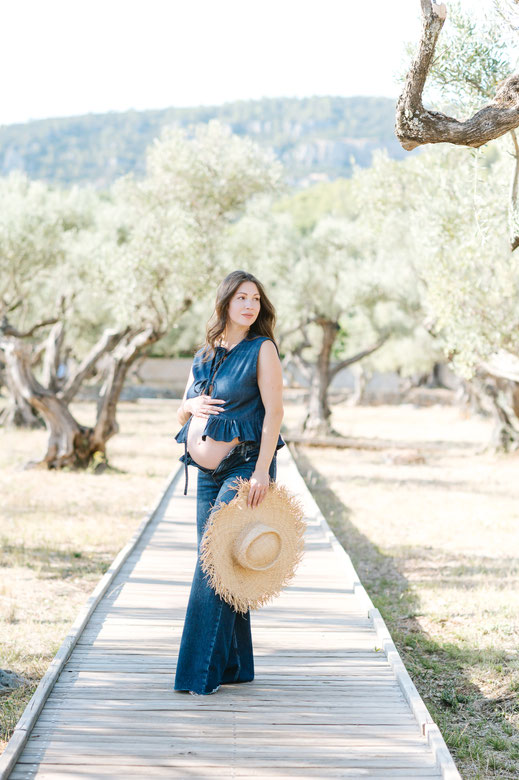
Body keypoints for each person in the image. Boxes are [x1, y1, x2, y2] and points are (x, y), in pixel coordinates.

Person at [173, 269, 285, 695]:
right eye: (242, 297)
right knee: (227, 562)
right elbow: (181, 412)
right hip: (205, 473)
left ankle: (197, 676)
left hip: (245, 468)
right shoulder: (204, 354)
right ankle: (236, 666)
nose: (250, 305)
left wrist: (261, 470)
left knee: (213, 562)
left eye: (255, 298)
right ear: (225, 303)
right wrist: (189, 404)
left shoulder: (262, 349)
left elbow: (274, 413)